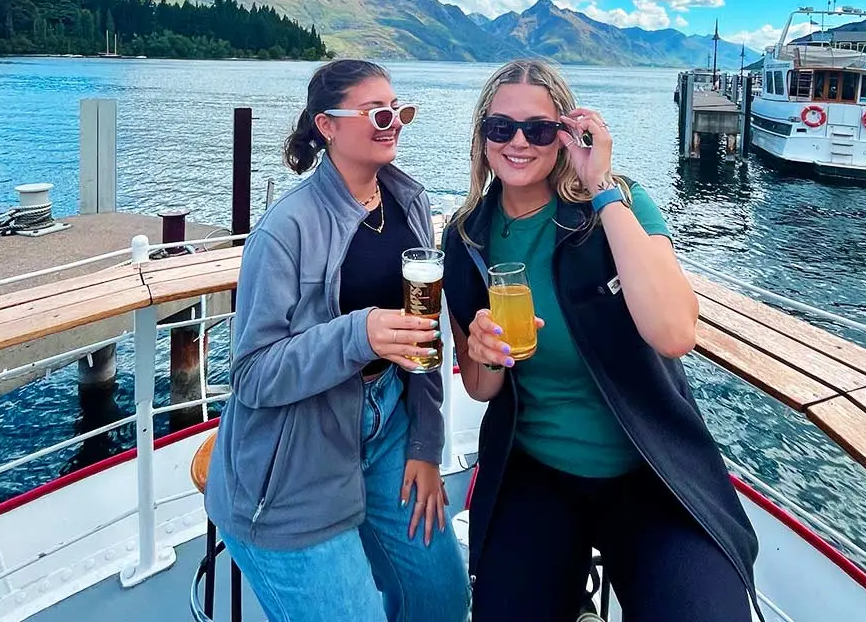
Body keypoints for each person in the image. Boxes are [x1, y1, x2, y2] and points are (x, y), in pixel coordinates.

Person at [443, 59, 760, 622]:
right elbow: (481, 387)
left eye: (539, 129)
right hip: (535, 469)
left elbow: (675, 333)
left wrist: (601, 189)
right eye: (502, 128)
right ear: (482, 137)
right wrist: (483, 354)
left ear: (565, 135)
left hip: (649, 469)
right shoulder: (468, 235)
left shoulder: (620, 204)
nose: (519, 143)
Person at [205, 59, 470, 622]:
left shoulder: (409, 203)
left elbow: (421, 337)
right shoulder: (286, 230)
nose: (393, 122)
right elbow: (251, 373)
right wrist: (360, 333)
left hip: (389, 425)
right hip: (296, 459)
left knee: (442, 600)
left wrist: (424, 443)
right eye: (378, 112)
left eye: (401, 111)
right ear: (327, 127)